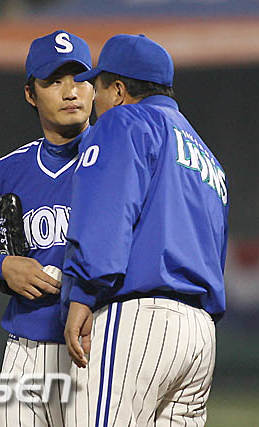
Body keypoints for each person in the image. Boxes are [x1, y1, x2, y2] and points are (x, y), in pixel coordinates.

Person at [61, 34, 228, 427]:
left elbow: (108, 214)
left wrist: (83, 294)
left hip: (140, 320)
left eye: (98, 87)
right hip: (200, 336)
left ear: (119, 90)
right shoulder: (206, 156)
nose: (94, 98)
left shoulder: (125, 121)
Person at [0, 30, 94, 427]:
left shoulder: (121, 161)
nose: (70, 91)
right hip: (25, 354)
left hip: (98, 347)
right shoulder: (7, 172)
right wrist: (2, 266)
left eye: (80, 78)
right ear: (30, 94)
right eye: (54, 81)